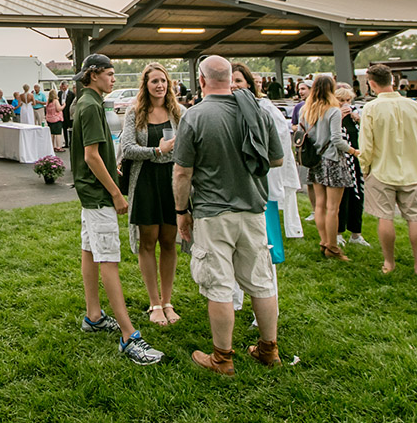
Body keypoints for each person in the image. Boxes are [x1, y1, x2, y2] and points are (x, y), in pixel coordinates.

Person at [172, 56, 285, 374]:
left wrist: (182, 211)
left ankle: (222, 358)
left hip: (212, 212)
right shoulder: (257, 111)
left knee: (219, 286)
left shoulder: (194, 116)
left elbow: (182, 172)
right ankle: (268, 349)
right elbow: (275, 159)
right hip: (252, 208)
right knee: (261, 282)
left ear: (201, 80)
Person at [70, 53, 163, 365]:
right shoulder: (91, 104)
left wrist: (113, 170)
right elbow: (92, 155)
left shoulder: (85, 101)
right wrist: (116, 193)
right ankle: (128, 335)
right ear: (94, 75)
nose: (113, 78)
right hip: (98, 196)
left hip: (89, 193)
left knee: (89, 252)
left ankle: (93, 315)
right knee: (109, 260)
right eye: (109, 74)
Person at [118, 63, 182, 327]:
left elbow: (190, 146)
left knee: (169, 240)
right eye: (154, 81)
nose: (160, 85)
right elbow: (127, 148)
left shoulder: (179, 113)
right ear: (145, 85)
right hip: (145, 181)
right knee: (149, 240)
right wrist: (157, 150)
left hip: (172, 181)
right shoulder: (135, 113)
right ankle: (154, 303)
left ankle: (167, 301)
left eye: (163, 81)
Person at [358, 64, 417, 279]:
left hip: (382, 169)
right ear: (392, 80)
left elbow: (366, 146)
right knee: (415, 218)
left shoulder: (371, 109)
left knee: (385, 217)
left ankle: (389, 262)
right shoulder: (415, 106)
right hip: (411, 170)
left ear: (371, 83)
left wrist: (364, 168)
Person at [232, 64, 304, 240]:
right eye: (230, 81)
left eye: (238, 80)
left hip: (260, 175)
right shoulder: (223, 107)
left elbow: (279, 141)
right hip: (233, 179)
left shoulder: (264, 106)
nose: (233, 85)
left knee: (263, 232)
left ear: (249, 84)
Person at [298, 75, 359, 261]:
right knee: (333, 208)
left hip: (315, 160)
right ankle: (332, 247)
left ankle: (324, 241)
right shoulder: (333, 111)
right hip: (332, 160)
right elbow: (336, 139)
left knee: (319, 206)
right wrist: (354, 151)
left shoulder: (306, 110)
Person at [334, 85, 372, 248]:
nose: (345, 103)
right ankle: (338, 232)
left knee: (358, 195)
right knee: (341, 198)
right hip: (339, 161)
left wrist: (359, 119)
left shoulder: (356, 113)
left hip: (356, 159)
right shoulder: (332, 114)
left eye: (348, 100)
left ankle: (356, 233)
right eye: (341, 100)